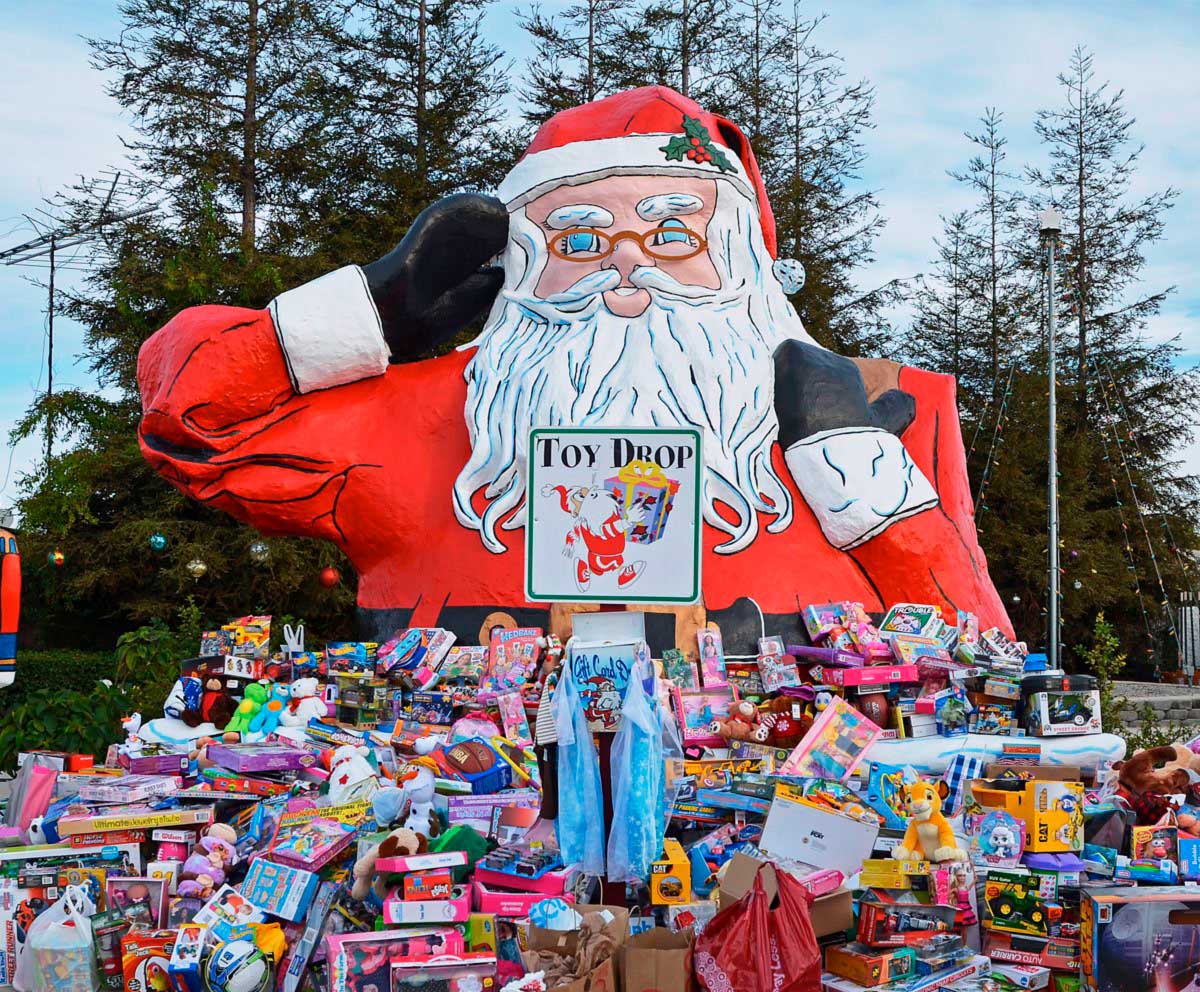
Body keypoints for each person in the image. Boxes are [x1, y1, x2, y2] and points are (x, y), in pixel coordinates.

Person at [137, 86, 1010, 650]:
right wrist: (372, 314)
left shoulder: (888, 408)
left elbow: (984, 663)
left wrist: (860, 475)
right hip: (484, 846)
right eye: (579, 239)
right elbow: (192, 417)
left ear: (740, 257)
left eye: (672, 233)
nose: (626, 266)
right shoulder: (424, 421)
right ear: (521, 264)